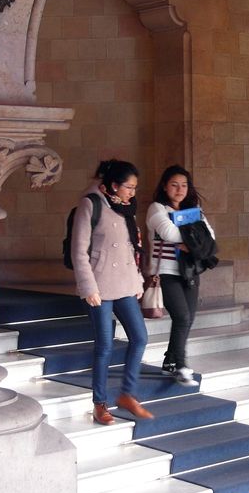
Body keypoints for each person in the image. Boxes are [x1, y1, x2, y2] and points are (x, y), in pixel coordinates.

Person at [71, 159, 153, 426]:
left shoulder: (125, 207)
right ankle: (100, 403)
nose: (132, 192)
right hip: (100, 286)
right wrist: (88, 287)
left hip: (126, 284)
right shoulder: (91, 204)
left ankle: (128, 394)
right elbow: (79, 251)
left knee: (140, 337)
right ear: (114, 185)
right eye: (129, 187)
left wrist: (137, 281)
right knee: (105, 345)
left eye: (134, 187)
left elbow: (131, 247)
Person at [146, 165, 213, 387]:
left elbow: (210, 236)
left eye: (184, 185)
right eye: (174, 185)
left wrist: (190, 242)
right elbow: (169, 232)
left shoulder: (195, 210)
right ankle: (182, 366)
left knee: (188, 318)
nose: (179, 189)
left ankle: (169, 361)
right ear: (165, 187)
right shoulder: (157, 209)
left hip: (190, 270)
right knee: (182, 317)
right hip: (166, 272)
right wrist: (195, 238)